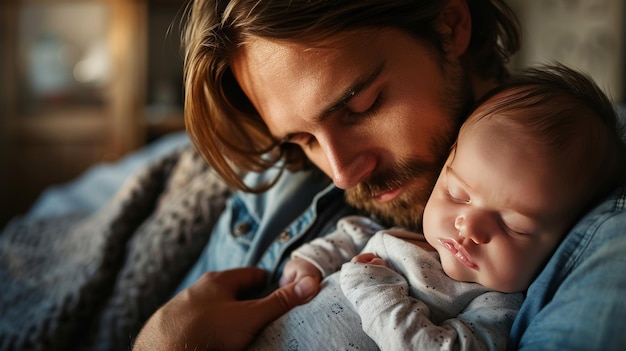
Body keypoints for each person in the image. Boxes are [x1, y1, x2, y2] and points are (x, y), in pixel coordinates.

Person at [133, 0, 626, 350]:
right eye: (301, 140)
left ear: (449, 25)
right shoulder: (279, 189)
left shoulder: (593, 194)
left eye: (361, 105)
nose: (343, 174)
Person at [245, 64, 626, 350]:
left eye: (514, 226)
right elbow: (354, 234)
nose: (468, 227)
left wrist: (378, 295)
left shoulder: (493, 308)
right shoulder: (406, 235)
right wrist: (311, 260)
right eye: (458, 194)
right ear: (446, 167)